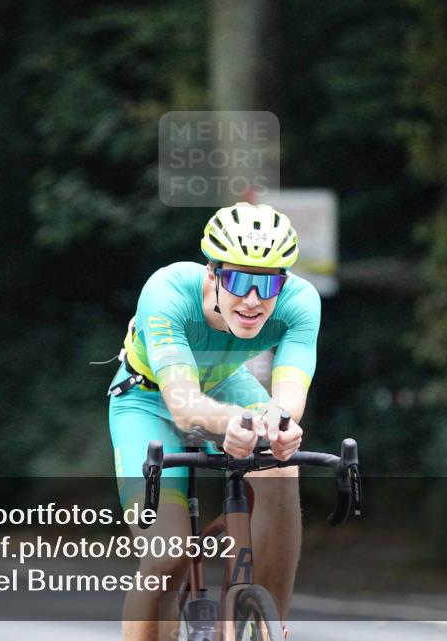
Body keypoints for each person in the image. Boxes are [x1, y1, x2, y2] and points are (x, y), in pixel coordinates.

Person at [108, 202, 321, 640]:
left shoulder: (300, 302)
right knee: (167, 555)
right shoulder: (168, 291)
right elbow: (184, 405)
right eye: (239, 280)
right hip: (147, 399)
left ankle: (266, 626)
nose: (253, 300)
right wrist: (235, 424)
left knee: (281, 467)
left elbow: (288, 396)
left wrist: (279, 424)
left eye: (268, 283)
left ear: (284, 282)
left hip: (226, 385)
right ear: (213, 274)